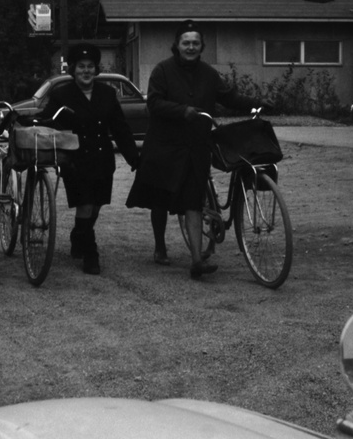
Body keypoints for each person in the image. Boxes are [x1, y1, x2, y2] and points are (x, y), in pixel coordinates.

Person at [126, 20, 266, 279]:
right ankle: (160, 246)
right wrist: (182, 111)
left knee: (193, 201)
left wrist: (256, 104)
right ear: (177, 45)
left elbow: (229, 97)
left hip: (196, 147)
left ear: (201, 47)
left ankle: (196, 261)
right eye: (186, 43)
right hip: (165, 147)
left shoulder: (209, 74)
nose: (190, 47)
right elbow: (154, 103)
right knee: (160, 199)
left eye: (195, 43)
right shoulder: (162, 71)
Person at [39, 43, 139, 275]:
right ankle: (91, 254)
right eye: (81, 66)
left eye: (90, 66)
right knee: (84, 204)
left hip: (102, 159)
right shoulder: (61, 94)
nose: (86, 71)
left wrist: (134, 158)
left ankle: (78, 235)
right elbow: (48, 121)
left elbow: (120, 128)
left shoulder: (107, 93)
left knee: (95, 207)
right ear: (73, 69)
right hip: (75, 160)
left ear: (96, 69)